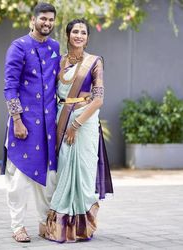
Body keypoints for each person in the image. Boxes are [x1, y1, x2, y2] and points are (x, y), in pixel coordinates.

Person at [42, 19, 113, 243]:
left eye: (83, 32)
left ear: (87, 37)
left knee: (83, 172)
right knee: (64, 171)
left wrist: (76, 123)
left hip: (85, 122)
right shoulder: (59, 61)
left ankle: (82, 228)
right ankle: (62, 227)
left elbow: (99, 99)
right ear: (68, 35)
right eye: (75, 31)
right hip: (61, 118)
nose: (79, 35)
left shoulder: (94, 62)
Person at [0, 2, 60, 242]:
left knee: (49, 176)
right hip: (24, 124)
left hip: (48, 125)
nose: (47, 23)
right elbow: (10, 87)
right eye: (43, 19)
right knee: (20, 179)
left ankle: (45, 223)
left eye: (50, 20)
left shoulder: (55, 47)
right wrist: (17, 120)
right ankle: (18, 226)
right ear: (32, 20)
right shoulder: (18, 46)